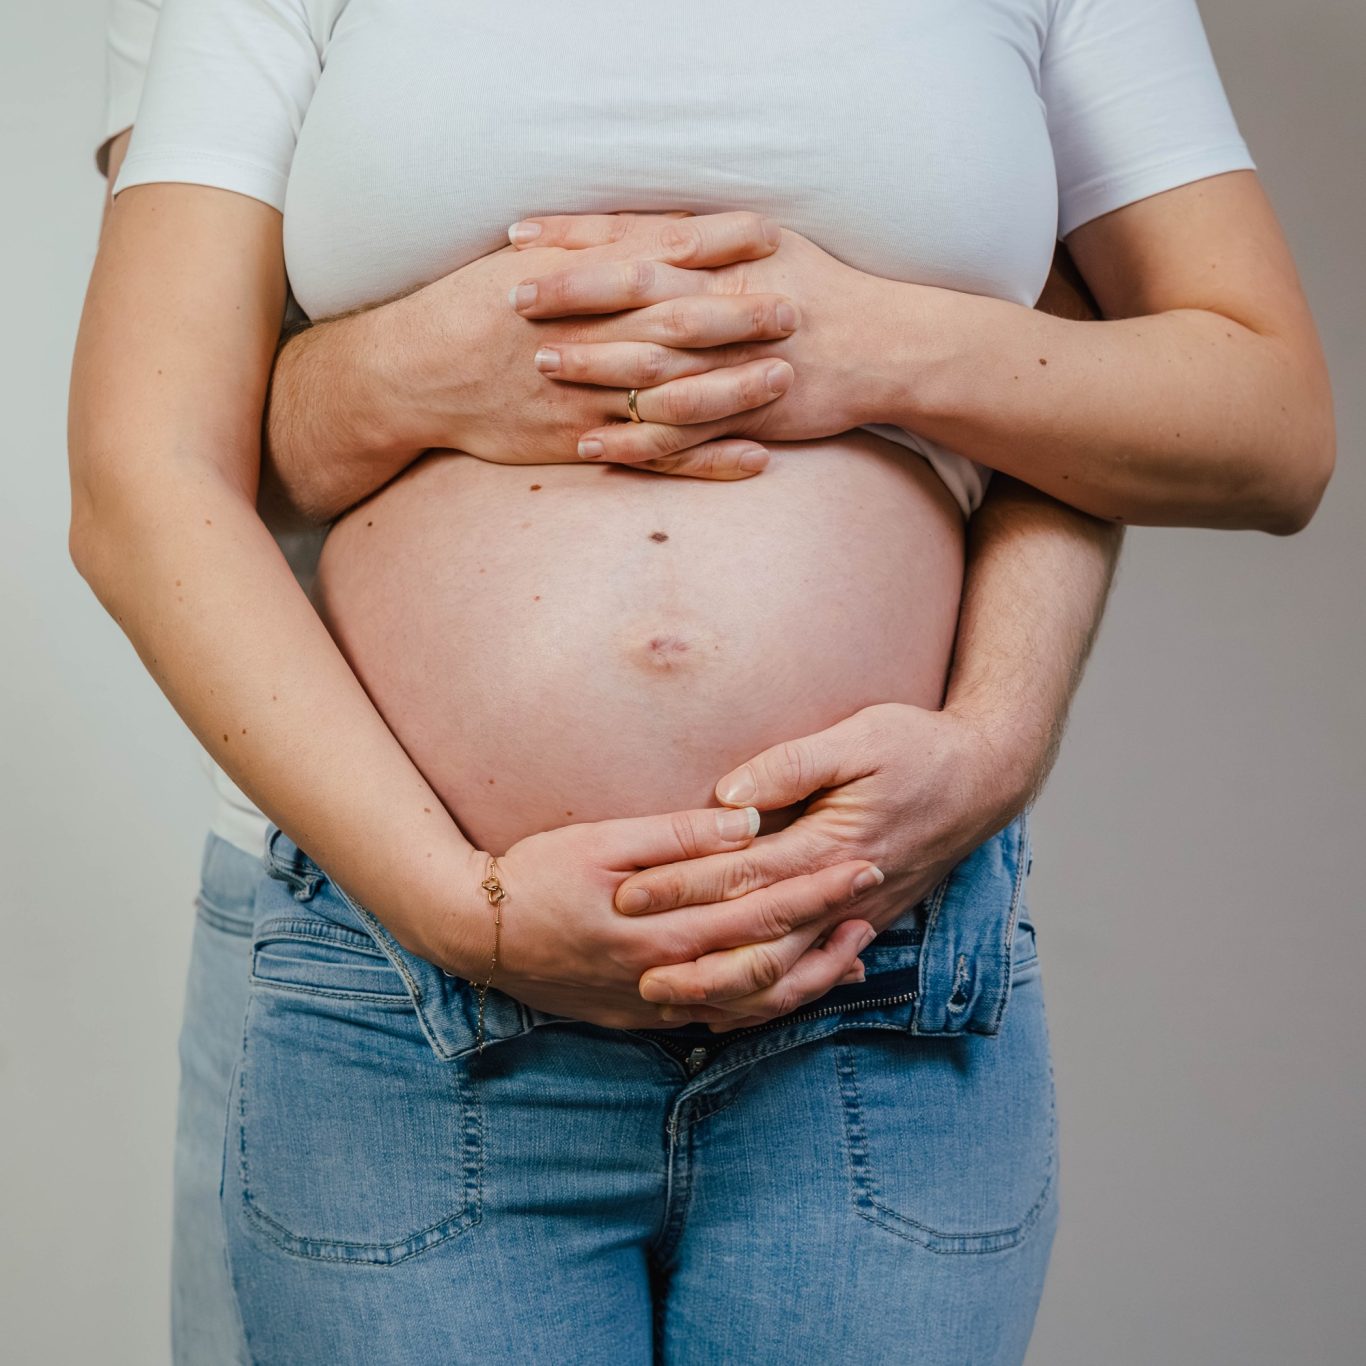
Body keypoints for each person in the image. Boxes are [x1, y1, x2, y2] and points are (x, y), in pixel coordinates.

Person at [74, 1, 1332, 1362]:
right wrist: (456, 904)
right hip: (418, 981)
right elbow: (156, 459)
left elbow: (1251, 418)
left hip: (872, 959)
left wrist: (890, 359)